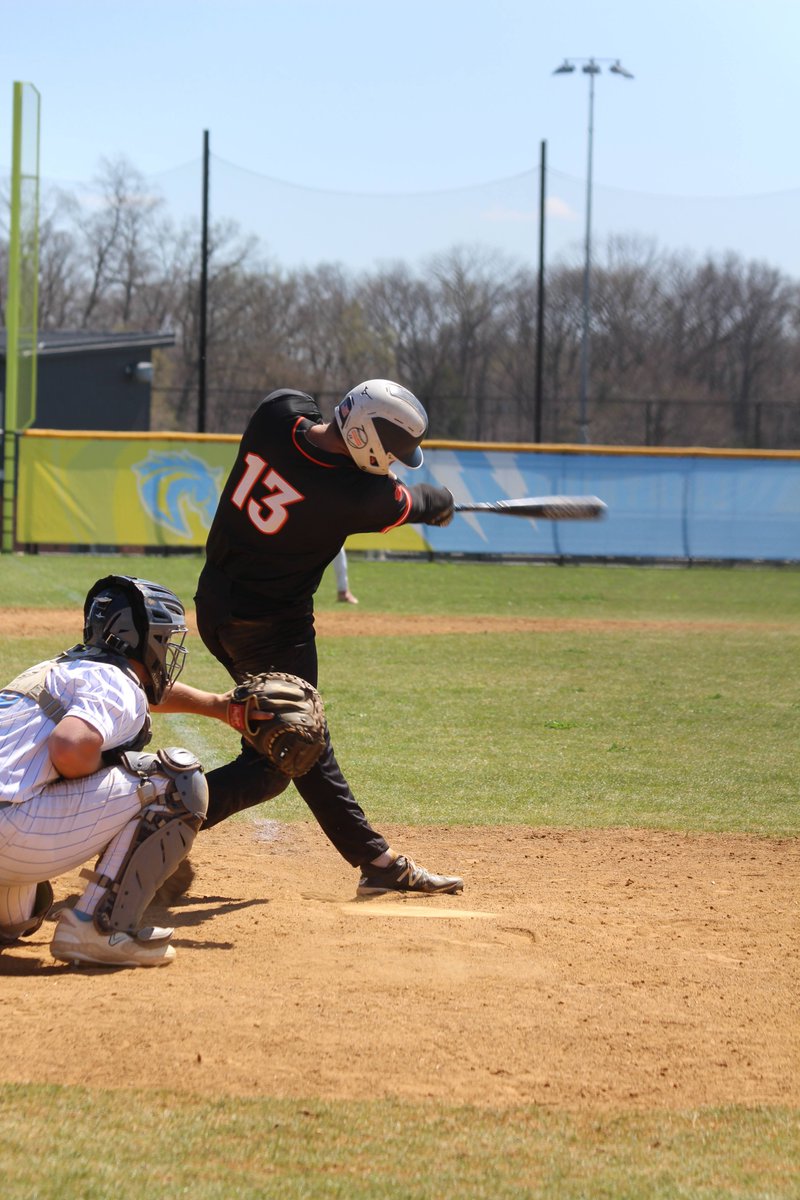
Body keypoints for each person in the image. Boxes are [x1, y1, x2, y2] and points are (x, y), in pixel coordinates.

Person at [194, 378, 464, 896]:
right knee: (294, 747)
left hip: (214, 607)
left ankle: (156, 818)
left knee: (273, 753)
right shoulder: (355, 494)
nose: (397, 460)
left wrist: (427, 501)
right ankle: (378, 864)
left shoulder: (276, 413)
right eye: (396, 450)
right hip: (270, 630)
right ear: (366, 437)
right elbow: (419, 501)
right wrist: (442, 503)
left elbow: (304, 414)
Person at [0, 575, 274, 968]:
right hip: (12, 831)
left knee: (21, 911)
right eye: (166, 639)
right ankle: (99, 928)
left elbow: (131, 699)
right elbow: (70, 745)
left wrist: (218, 706)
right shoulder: (116, 682)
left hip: (12, 824)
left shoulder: (57, 670)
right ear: (147, 640)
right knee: (176, 779)